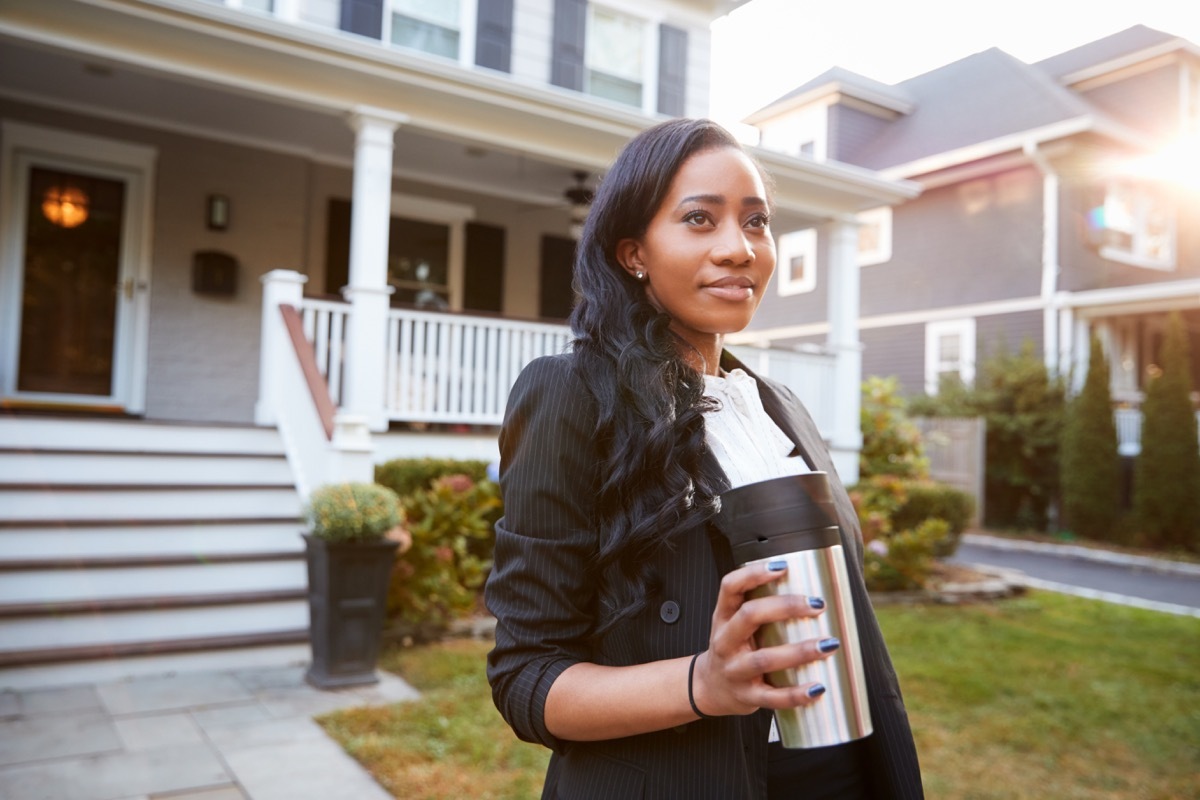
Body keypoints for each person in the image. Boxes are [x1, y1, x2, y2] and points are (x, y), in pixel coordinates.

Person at [485, 118, 924, 799]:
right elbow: (525, 679)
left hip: (840, 772)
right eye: (699, 219)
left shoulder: (775, 405)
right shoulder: (571, 394)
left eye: (757, 222)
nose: (738, 248)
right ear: (634, 252)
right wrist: (703, 684)